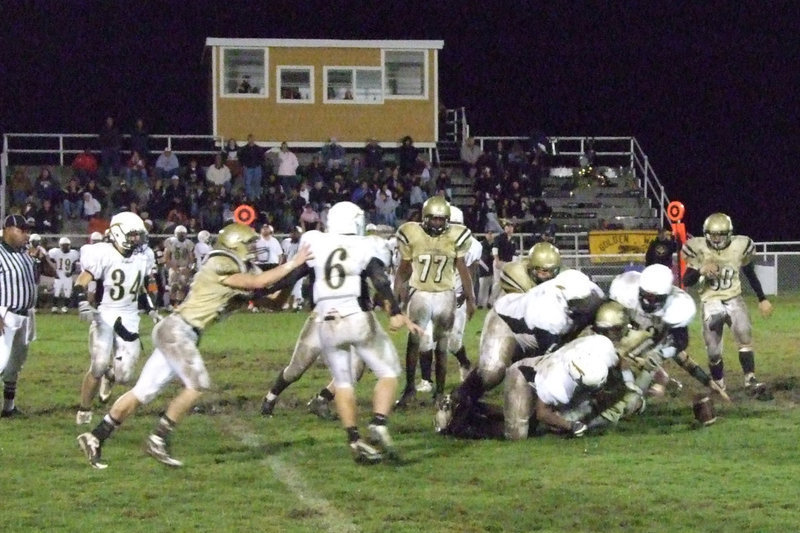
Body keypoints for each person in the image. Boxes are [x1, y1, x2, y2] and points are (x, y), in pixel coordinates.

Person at [77, 223, 312, 469]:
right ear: (234, 245)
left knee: (143, 392)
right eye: (249, 245)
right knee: (198, 384)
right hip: (178, 330)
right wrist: (293, 264)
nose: (254, 250)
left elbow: (273, 303)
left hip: (182, 333)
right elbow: (259, 282)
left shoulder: (240, 270)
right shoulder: (220, 262)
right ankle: (158, 438)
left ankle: (95, 437)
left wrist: (291, 281)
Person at [291, 201, 420, 463]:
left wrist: (259, 292)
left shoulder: (317, 242)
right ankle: (378, 422)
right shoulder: (366, 245)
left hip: (326, 321)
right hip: (355, 316)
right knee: (388, 371)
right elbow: (380, 278)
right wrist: (395, 311)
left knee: (343, 381)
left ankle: (354, 439)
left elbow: (293, 276)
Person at [435, 269, 604, 433]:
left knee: (526, 421)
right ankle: (456, 405)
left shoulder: (592, 296)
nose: (587, 307)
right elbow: (544, 366)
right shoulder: (552, 317)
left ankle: (473, 409)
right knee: (492, 372)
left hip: (532, 331)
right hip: (506, 321)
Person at [73, 212, 157, 424]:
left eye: (139, 235)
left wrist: (151, 309)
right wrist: (83, 302)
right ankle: (84, 410)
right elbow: (82, 281)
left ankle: (111, 377)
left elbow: (140, 289)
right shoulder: (103, 253)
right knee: (99, 364)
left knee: (124, 375)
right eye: (133, 235)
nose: (137, 240)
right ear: (119, 233)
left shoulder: (142, 256)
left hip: (129, 317)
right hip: (106, 313)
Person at [394, 196, 476, 405]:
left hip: (444, 294)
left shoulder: (455, 236)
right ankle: (410, 388)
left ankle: (439, 391)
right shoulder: (412, 234)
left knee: (442, 344)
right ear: (424, 218)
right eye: (434, 219)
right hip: (420, 292)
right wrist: (397, 290)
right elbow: (403, 268)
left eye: (441, 219)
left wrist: (471, 297)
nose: (438, 223)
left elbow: (462, 268)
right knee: (414, 342)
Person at [682, 213, 773, 396]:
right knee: (713, 351)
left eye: (720, 235)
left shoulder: (739, 247)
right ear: (706, 234)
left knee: (745, 336)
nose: (716, 239)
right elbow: (687, 281)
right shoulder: (698, 249)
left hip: (733, 298)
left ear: (729, 234)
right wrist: (701, 270)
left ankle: (750, 379)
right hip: (710, 301)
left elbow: (750, 273)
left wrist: (762, 298)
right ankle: (718, 382)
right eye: (712, 235)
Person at [416, 206, 481, 392]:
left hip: (456, 298)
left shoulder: (471, 245)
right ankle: (426, 380)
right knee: (426, 337)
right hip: (431, 295)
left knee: (453, 342)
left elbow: (471, 274)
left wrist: (468, 297)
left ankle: (465, 363)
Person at [0, 215, 56, 417]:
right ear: (7, 229)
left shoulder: (26, 253)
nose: (26, 234)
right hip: (5, 314)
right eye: (21, 230)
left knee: (15, 363)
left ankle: (9, 407)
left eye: (27, 230)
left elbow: (53, 273)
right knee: (1, 361)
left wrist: (42, 258)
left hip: (26, 315)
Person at [163, 225, 195, 310]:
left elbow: (191, 257)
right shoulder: (171, 242)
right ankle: (171, 305)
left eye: (183, 234)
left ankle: (179, 306)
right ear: (176, 234)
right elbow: (166, 257)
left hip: (184, 267)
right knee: (173, 286)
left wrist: (188, 267)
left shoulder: (188, 243)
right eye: (180, 234)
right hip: (174, 267)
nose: (182, 235)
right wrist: (174, 267)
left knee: (183, 287)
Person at [47, 237, 80, 313]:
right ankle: (54, 307)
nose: (65, 247)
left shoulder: (73, 253)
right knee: (56, 291)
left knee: (67, 292)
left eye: (66, 245)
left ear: (69, 245)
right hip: (58, 274)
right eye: (63, 245)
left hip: (67, 274)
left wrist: (71, 272)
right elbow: (50, 261)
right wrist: (54, 270)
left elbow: (74, 265)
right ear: (60, 245)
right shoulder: (55, 252)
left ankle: (65, 307)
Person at [490, 221, 517, 303]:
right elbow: (495, 249)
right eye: (508, 227)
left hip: (508, 263)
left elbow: (514, 253)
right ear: (505, 228)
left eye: (511, 227)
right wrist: (497, 260)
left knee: (506, 282)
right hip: (500, 261)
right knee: (497, 282)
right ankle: (491, 301)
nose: (509, 229)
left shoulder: (513, 239)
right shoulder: (499, 238)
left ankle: (500, 301)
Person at [98, 116, 122, 181]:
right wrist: (103, 144)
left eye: (110, 121)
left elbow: (120, 137)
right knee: (105, 161)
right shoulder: (103, 129)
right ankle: (106, 175)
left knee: (116, 161)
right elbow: (100, 138)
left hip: (115, 147)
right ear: (106, 121)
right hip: (106, 147)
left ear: (112, 121)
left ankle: (116, 174)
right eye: (108, 121)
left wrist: (118, 145)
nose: (109, 122)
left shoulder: (116, 129)